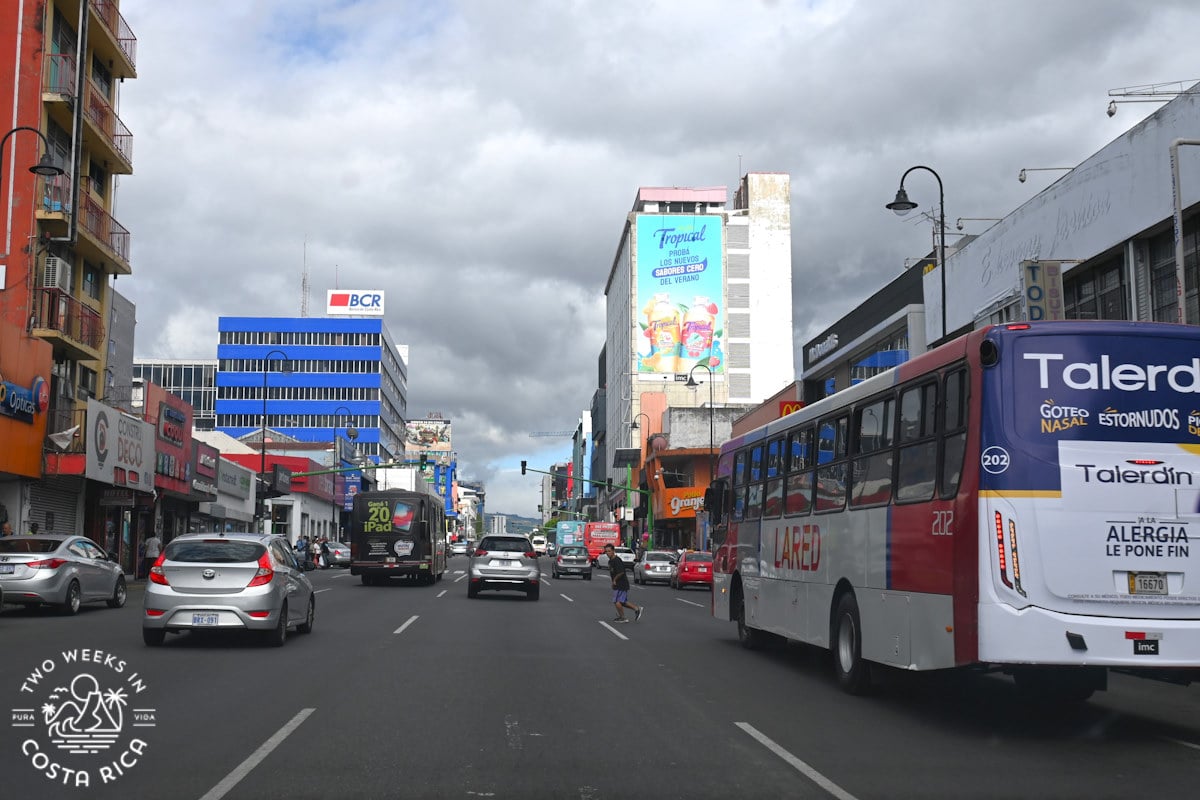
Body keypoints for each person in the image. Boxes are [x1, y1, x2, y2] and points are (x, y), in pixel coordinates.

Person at [604, 543, 642, 623]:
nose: (607, 553)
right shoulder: (610, 561)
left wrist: (614, 580)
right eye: (606, 551)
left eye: (609, 551)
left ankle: (623, 618)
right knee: (622, 602)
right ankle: (637, 609)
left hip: (621, 583)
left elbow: (621, 572)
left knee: (617, 601)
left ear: (613, 551)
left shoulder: (617, 560)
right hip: (617, 584)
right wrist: (613, 582)